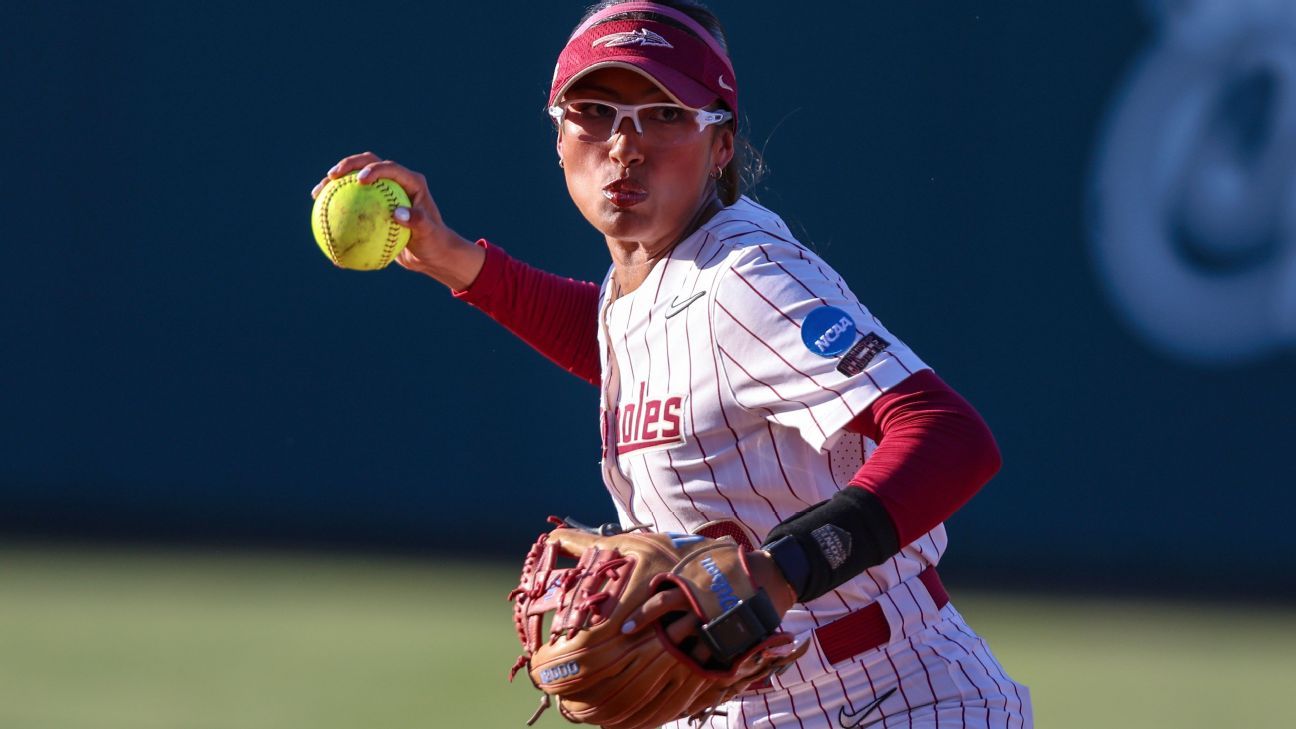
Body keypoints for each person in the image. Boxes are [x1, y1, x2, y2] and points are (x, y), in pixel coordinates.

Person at [312, 1, 1032, 726]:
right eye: (593, 112)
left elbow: (950, 437)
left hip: (891, 694)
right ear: (558, 138)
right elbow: (632, 344)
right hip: (735, 702)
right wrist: (455, 260)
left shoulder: (744, 276)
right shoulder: (657, 278)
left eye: (662, 115)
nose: (624, 146)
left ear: (720, 145)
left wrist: (785, 570)